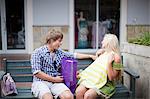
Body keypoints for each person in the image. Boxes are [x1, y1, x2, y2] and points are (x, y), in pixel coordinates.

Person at [30, 29, 96, 99]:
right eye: (59, 41)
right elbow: (37, 72)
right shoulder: (37, 52)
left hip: (56, 83)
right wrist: (54, 79)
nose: (61, 43)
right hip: (41, 82)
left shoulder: (60, 52)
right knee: (48, 97)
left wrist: (90, 56)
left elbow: (74, 55)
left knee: (69, 96)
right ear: (51, 40)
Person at [76, 34, 123, 99]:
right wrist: (98, 55)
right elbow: (99, 64)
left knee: (88, 96)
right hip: (92, 78)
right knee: (79, 92)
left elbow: (111, 78)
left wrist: (109, 63)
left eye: (103, 40)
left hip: (105, 83)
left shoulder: (116, 57)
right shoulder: (104, 53)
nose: (102, 42)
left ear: (108, 42)